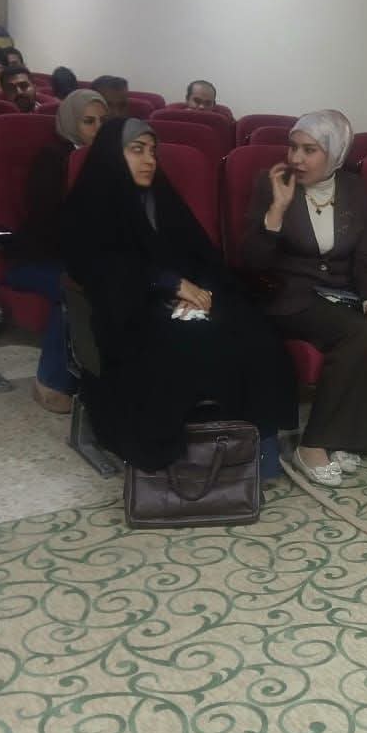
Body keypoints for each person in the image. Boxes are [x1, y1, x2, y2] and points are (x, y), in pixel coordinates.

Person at [61, 118, 298, 472]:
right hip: (127, 307)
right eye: (137, 150)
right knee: (180, 344)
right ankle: (173, 455)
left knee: (254, 332)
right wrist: (167, 283)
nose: (149, 160)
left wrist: (199, 291)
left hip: (185, 298)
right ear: (113, 155)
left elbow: (201, 256)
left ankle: (256, 444)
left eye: (152, 151)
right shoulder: (90, 203)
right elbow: (98, 268)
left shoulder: (162, 198)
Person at [242, 110, 367, 487]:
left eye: (309, 150)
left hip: (343, 292)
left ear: (335, 154)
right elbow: (252, 261)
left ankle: (354, 438)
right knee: (358, 335)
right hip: (292, 295)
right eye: (293, 147)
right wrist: (277, 209)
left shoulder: (354, 188)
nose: (296, 158)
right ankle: (313, 444)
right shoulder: (271, 184)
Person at [6, 90, 108, 413]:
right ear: (70, 122)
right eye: (89, 121)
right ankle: (51, 380)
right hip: (36, 260)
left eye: (103, 121)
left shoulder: (109, 159)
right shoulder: (52, 159)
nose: (98, 128)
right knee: (74, 290)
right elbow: (47, 223)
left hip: (82, 261)